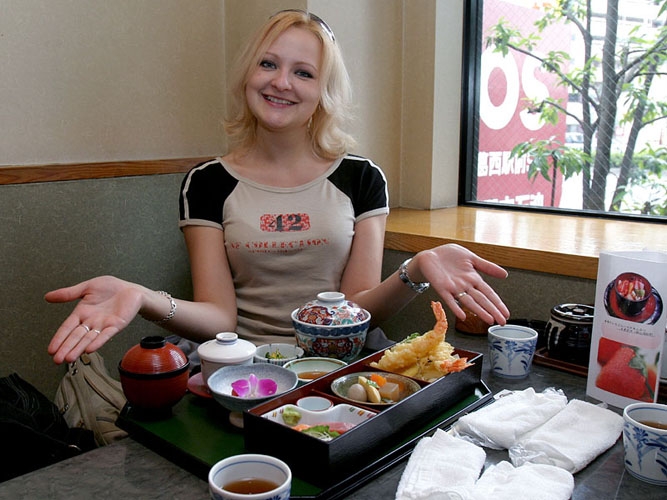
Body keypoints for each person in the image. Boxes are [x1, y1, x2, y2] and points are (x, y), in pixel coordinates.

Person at [46, 10, 510, 365]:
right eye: (268, 64)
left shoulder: (362, 178)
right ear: (248, 74)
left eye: (303, 72)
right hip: (243, 366)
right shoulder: (206, 183)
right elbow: (219, 317)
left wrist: (416, 268)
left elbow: (355, 310)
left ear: (324, 90)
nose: (281, 82)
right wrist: (143, 297)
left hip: (339, 365)